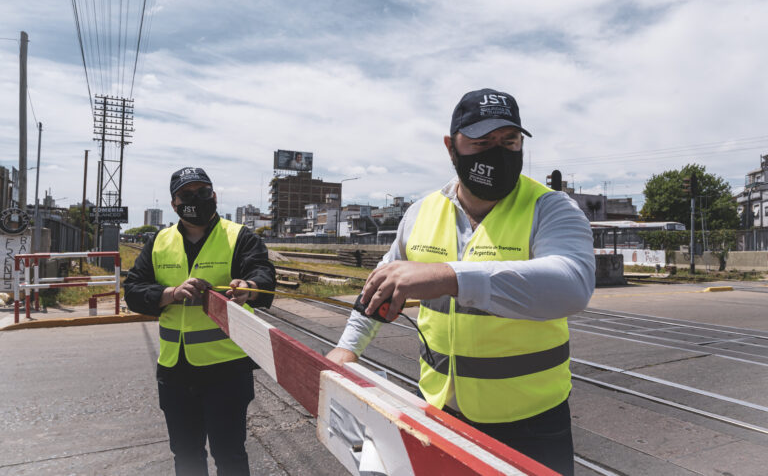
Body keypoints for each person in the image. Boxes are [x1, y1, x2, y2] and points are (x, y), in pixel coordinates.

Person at [326, 88, 595, 475]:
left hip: (531, 423)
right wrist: (346, 351)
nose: (497, 152)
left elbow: (572, 284)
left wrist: (448, 276)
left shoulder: (551, 208)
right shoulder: (420, 213)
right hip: (436, 411)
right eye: (482, 142)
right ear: (451, 148)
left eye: (509, 141)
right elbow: (378, 288)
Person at [124, 167, 276, 476]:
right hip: (174, 370)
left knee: (230, 455)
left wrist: (247, 288)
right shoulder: (159, 241)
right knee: (186, 455)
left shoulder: (239, 236)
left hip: (227, 370)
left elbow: (263, 274)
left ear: (214, 196)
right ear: (174, 203)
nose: (196, 199)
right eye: (187, 194)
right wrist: (170, 293)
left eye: (203, 192)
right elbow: (133, 290)